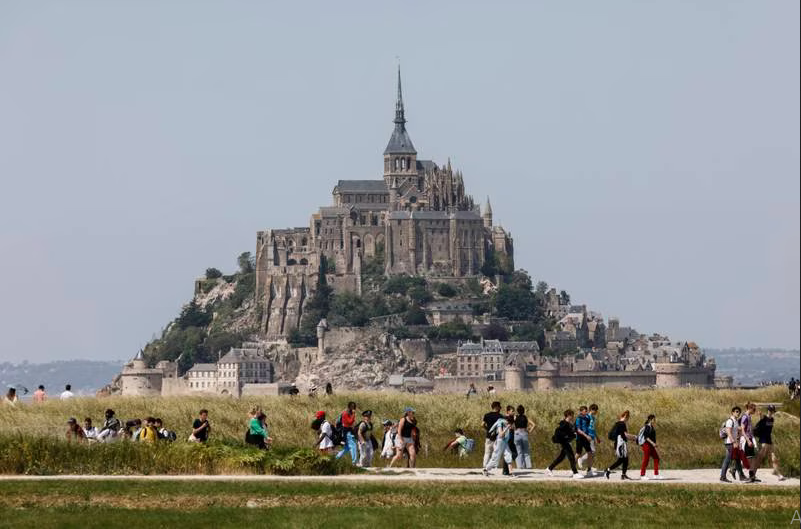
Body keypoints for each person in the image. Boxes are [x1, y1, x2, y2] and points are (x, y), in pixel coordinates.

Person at [752, 405, 786, 481]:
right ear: (767, 410)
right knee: (760, 458)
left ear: (774, 411)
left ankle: (778, 474)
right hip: (763, 440)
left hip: (769, 440)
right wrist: (760, 414)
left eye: (772, 410)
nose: (770, 412)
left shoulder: (772, 419)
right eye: (769, 410)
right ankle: (753, 474)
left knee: (774, 458)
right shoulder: (764, 417)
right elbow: (761, 418)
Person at [546, 409, 583, 479]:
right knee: (571, 457)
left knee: (561, 457)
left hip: (566, 442)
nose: (573, 417)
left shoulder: (569, 424)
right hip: (564, 442)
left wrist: (573, 434)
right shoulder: (564, 423)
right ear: (568, 415)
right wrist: (566, 436)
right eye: (572, 415)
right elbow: (558, 432)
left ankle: (549, 468)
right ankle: (575, 473)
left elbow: (570, 432)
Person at [605, 410, 636, 480]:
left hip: (619, 444)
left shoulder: (617, 423)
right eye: (628, 417)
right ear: (626, 417)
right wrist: (635, 437)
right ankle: (608, 469)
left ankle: (623, 475)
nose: (628, 419)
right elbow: (626, 435)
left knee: (626, 459)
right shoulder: (622, 424)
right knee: (621, 460)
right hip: (621, 445)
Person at [482, 411, 514, 477]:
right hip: (499, 442)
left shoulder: (506, 422)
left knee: (509, 455)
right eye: (510, 423)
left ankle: (511, 473)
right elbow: (501, 434)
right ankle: (485, 469)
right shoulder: (501, 423)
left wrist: (509, 426)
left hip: (504, 442)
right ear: (507, 421)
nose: (510, 424)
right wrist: (507, 427)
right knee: (495, 458)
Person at [578, 403, 600, 476]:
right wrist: (586, 435)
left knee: (592, 453)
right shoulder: (587, 416)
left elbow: (593, 428)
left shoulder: (593, 418)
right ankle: (581, 459)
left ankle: (589, 467)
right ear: (592, 410)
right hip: (589, 436)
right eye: (595, 411)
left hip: (592, 436)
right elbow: (584, 427)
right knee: (592, 451)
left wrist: (597, 437)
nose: (596, 412)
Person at [638, 414, 662, 480]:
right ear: (650, 420)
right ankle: (642, 475)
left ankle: (656, 474)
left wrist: (654, 444)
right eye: (654, 419)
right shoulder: (647, 427)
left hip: (651, 445)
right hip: (646, 445)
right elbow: (646, 437)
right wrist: (652, 443)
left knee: (656, 458)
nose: (655, 421)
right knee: (646, 460)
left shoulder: (651, 426)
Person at [481, 402, 503, 468]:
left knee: (487, 452)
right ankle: (495, 466)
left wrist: (487, 429)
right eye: (500, 407)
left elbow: (482, 425)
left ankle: (485, 466)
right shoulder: (500, 416)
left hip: (488, 436)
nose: (500, 408)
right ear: (497, 407)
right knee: (496, 452)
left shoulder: (487, 415)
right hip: (497, 437)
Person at [740, 403, 758, 481]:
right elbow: (743, 430)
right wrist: (748, 440)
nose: (755, 411)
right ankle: (751, 476)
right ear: (750, 409)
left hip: (750, 438)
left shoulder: (749, 416)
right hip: (746, 439)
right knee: (749, 459)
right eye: (754, 410)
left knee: (752, 458)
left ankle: (752, 476)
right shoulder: (745, 417)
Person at [513, 405, 534, 469]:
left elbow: (511, 424)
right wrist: (529, 431)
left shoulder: (515, 417)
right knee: (526, 451)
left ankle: (520, 466)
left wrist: (514, 430)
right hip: (524, 433)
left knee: (518, 451)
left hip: (517, 433)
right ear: (523, 411)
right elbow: (534, 425)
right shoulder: (526, 417)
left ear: (517, 411)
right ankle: (528, 466)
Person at [574, 406, 593, 473]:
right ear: (581, 411)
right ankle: (573, 467)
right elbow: (578, 430)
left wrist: (589, 435)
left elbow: (588, 427)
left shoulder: (587, 418)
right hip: (580, 438)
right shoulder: (578, 418)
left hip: (586, 437)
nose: (586, 412)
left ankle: (589, 469)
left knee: (590, 452)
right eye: (585, 411)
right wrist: (586, 436)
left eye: (586, 411)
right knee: (578, 453)